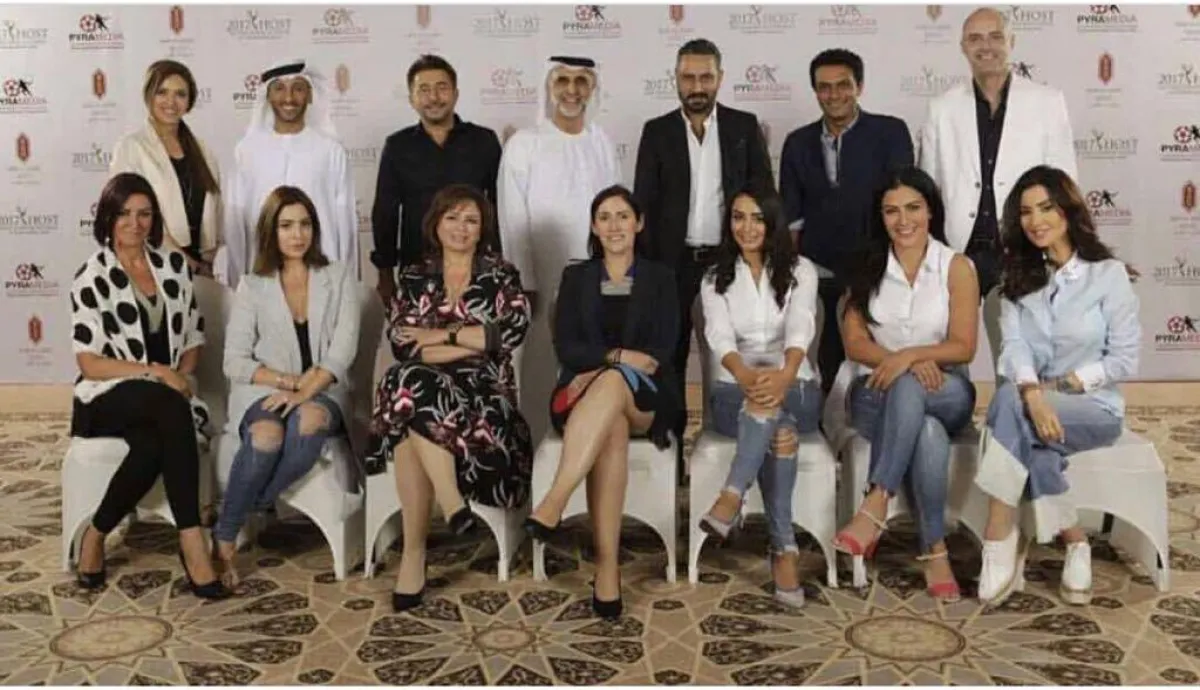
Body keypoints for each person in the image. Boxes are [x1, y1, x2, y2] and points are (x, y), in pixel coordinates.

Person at [974, 165, 1140, 607]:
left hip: (1094, 408)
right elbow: (1014, 349)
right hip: (1032, 403)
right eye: (1026, 212)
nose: (1036, 220)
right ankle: (1076, 543)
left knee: (1007, 404)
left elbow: (1124, 359)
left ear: (1067, 210)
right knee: (1033, 439)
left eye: (1046, 208)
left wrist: (1066, 385)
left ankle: (999, 531)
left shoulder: (1107, 275)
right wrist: (1035, 396)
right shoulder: (1016, 281)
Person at [365, 184, 533, 613]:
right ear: (436, 224)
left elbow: (509, 333)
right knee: (412, 382)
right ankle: (450, 504)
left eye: (471, 220)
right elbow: (405, 345)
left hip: (485, 402)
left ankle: (415, 554)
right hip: (424, 387)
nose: (461, 227)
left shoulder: (501, 274)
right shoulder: (414, 276)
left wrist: (440, 335)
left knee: (408, 403)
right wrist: (473, 340)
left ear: (483, 228)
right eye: (452, 217)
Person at [68, 172, 230, 600]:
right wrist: (157, 373)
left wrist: (182, 375)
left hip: (163, 401)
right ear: (107, 218)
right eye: (123, 214)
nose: (134, 223)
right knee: (167, 406)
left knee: (154, 442)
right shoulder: (91, 275)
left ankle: (95, 534)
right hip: (106, 396)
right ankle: (192, 541)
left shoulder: (173, 268)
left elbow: (193, 337)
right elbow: (89, 363)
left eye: (144, 214)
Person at [524, 186, 681, 620]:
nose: (614, 225)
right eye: (605, 217)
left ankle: (555, 500)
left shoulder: (661, 277)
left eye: (623, 216)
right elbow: (567, 347)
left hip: (646, 398)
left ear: (639, 223)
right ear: (594, 227)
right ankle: (607, 569)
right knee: (610, 422)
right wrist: (616, 358)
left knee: (613, 383)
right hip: (584, 397)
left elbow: (661, 351)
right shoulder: (577, 277)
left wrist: (610, 366)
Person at [830, 166, 980, 602]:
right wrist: (902, 365)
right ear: (880, 217)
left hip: (947, 389)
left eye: (913, 208)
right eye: (891, 210)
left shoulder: (956, 267)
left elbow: (964, 346)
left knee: (915, 391)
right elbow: (856, 344)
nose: (903, 220)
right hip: (874, 391)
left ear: (931, 211)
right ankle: (934, 551)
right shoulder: (865, 267)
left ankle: (876, 501)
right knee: (926, 429)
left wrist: (909, 357)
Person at [633, 38, 774, 471]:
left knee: (726, 358)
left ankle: (723, 458)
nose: (697, 86)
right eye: (688, 77)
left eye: (706, 77)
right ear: (675, 79)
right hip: (670, 267)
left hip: (727, 265)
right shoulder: (656, 132)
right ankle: (673, 460)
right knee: (669, 360)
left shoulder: (743, 127)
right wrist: (648, 273)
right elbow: (644, 206)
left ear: (720, 79)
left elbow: (764, 197)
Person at [215, 186, 362, 586]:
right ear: (271, 231)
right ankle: (224, 541)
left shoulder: (338, 276)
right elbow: (234, 361)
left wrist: (302, 393)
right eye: (286, 226)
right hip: (266, 390)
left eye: (305, 224)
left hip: (324, 391)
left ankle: (250, 505)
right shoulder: (253, 285)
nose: (297, 235)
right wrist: (285, 382)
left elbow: (342, 352)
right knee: (266, 435)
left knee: (309, 419)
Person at [697, 184, 821, 609]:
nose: (746, 228)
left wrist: (784, 375)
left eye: (756, 218)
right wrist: (749, 377)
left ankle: (731, 496)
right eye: (738, 217)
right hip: (735, 388)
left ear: (772, 223)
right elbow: (719, 336)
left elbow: (801, 325)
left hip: (797, 385)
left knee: (770, 407)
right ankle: (783, 549)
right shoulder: (714, 276)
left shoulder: (801, 269)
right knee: (779, 431)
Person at [498, 55, 620, 448]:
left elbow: (617, 214)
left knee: (593, 370)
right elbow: (512, 217)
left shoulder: (602, 142)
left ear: (592, 88)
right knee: (539, 370)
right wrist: (525, 280)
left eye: (581, 81)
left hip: (598, 279)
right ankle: (535, 459)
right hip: (541, 280)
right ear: (548, 87)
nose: (572, 90)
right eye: (562, 80)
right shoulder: (524, 144)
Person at [779, 48, 914, 395]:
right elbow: (791, 220)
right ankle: (825, 423)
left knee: (876, 361)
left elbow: (903, 206)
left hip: (878, 272)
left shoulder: (890, 133)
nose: (834, 94)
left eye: (843, 85)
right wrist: (791, 279)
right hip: (819, 272)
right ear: (815, 91)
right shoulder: (797, 143)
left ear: (860, 87)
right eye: (824, 87)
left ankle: (875, 421)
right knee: (824, 360)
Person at [918, 7, 1077, 299]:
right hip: (960, 253)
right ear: (963, 46)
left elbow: (1064, 184)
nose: (985, 46)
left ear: (1011, 42)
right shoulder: (941, 108)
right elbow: (928, 189)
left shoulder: (1047, 102)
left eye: (995, 36)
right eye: (975, 38)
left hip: (1028, 249)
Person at [371, 54, 503, 302]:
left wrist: (500, 261)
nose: (433, 97)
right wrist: (385, 273)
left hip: (477, 268)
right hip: (417, 269)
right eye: (424, 90)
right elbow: (385, 213)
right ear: (411, 99)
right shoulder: (398, 146)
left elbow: (499, 206)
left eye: (442, 88)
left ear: (456, 94)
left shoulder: (483, 141)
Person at [223, 59, 357, 288]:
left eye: (298, 88)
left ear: (310, 95)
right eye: (279, 89)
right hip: (262, 277)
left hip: (322, 279)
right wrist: (238, 286)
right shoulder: (246, 151)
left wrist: (346, 285)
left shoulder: (330, 151)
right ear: (267, 96)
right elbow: (235, 223)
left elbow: (345, 223)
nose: (289, 98)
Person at [111, 59, 222, 279]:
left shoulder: (203, 150)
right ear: (149, 96)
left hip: (202, 268)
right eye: (162, 92)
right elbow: (129, 214)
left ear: (189, 101)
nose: (171, 102)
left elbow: (216, 210)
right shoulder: (131, 147)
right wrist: (186, 262)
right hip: (152, 264)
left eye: (180, 94)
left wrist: (207, 263)